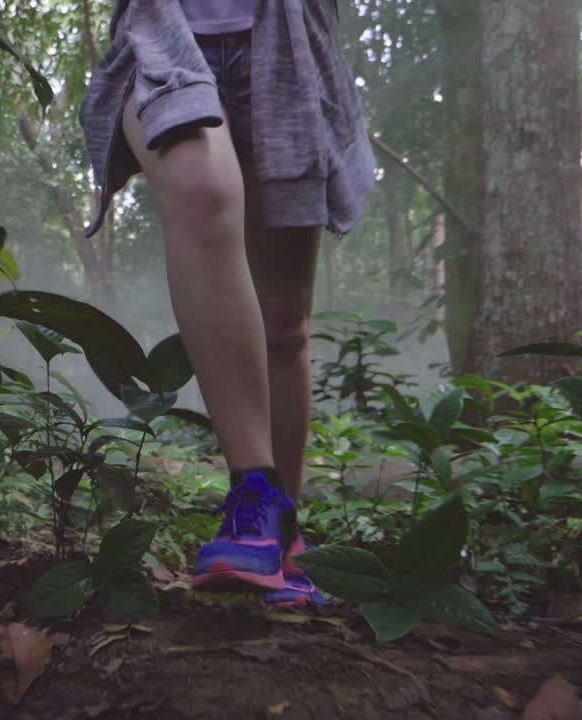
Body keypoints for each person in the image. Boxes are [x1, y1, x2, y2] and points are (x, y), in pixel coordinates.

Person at [79, 0, 376, 607]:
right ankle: (254, 495)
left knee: (285, 324)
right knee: (200, 186)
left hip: (288, 36)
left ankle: (283, 544)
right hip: (165, 31)